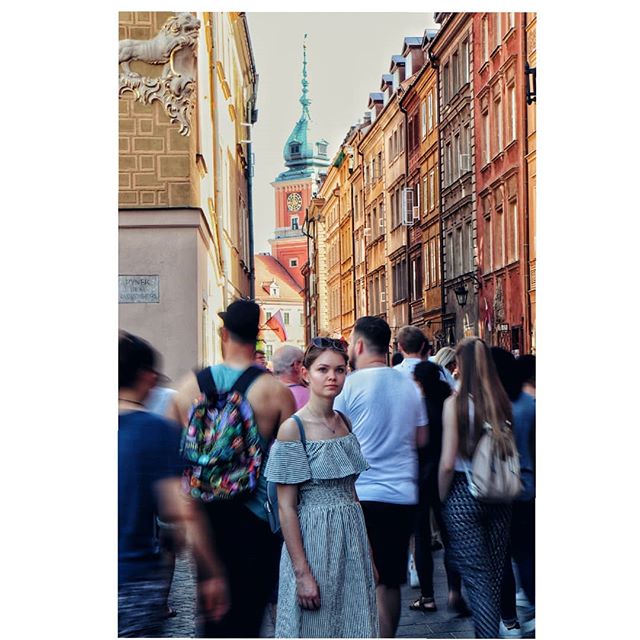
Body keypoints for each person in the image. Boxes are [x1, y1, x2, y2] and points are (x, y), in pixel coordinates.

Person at [168, 300, 297, 638]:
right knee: (248, 616)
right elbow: (291, 468)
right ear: (256, 336)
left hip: (207, 517)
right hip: (254, 518)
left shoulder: (187, 389)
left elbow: (175, 462)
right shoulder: (276, 392)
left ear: (223, 333)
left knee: (213, 619)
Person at [266, 337, 379, 637]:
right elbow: (286, 507)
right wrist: (302, 574)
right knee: (317, 627)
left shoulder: (344, 421)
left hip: (350, 538)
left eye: (340, 370)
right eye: (323, 369)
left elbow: (352, 494)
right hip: (313, 538)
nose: (332, 376)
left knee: (355, 624)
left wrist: (368, 554)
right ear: (305, 373)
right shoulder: (293, 428)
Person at [119, 332, 229, 637]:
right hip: (133, 582)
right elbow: (181, 510)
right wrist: (210, 572)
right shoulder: (155, 430)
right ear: (146, 377)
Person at [334, 316, 428, 638]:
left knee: (362, 579)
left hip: (362, 494)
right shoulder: (409, 384)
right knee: (390, 580)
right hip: (402, 494)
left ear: (358, 346)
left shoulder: (349, 386)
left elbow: (335, 435)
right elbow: (422, 439)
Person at [438, 337, 513, 638]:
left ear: (460, 365)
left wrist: (441, 498)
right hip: (499, 492)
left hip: (461, 494)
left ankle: (487, 636)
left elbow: (447, 462)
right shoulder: (501, 401)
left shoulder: (454, 403)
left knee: (477, 580)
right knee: (493, 578)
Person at [408, 361, 469, 617]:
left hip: (420, 478)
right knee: (450, 536)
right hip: (448, 475)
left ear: (419, 382)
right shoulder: (449, 403)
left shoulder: (417, 408)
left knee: (422, 538)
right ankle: (455, 592)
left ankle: (428, 596)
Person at [491, 348, 536, 638]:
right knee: (528, 552)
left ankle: (509, 620)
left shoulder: (494, 407)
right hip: (528, 488)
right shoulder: (530, 406)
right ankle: (535, 608)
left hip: (499, 489)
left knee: (502, 556)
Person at [272, 344, 310, 410]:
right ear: (296, 365)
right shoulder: (309, 396)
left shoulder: (265, 394)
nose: (306, 367)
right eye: (304, 363)